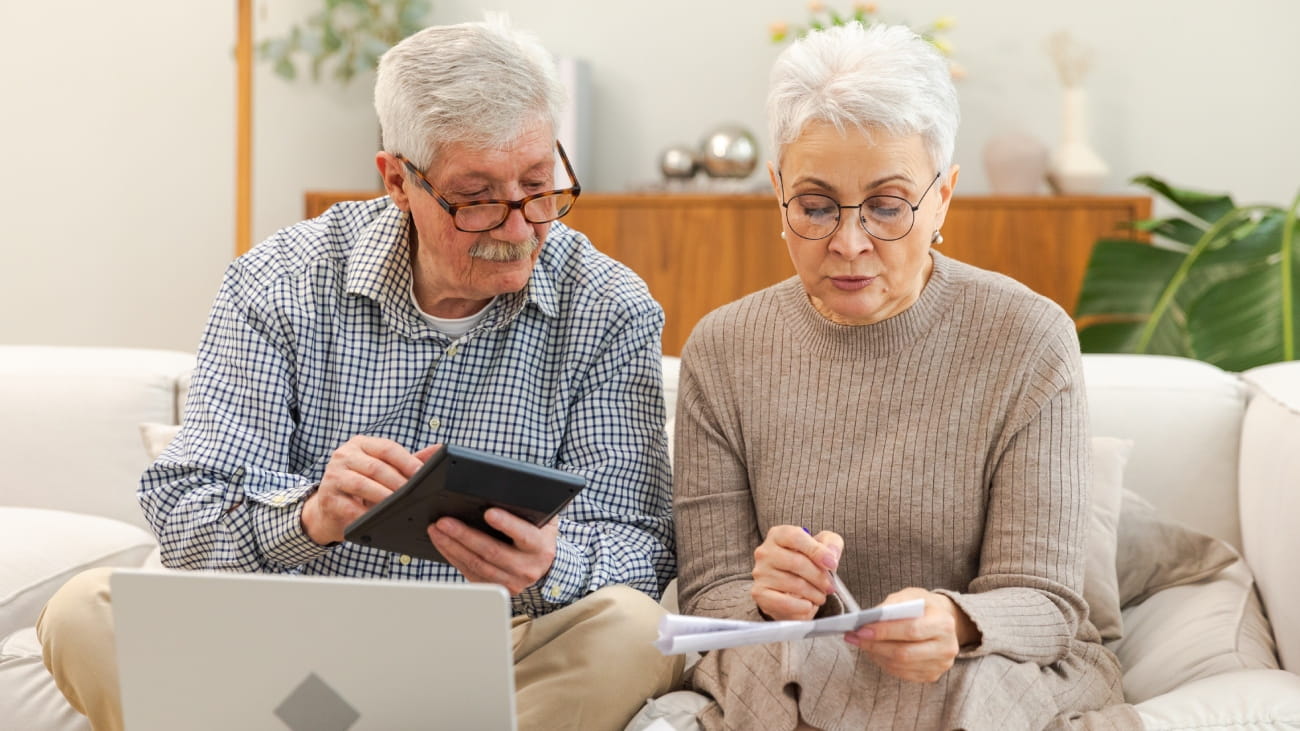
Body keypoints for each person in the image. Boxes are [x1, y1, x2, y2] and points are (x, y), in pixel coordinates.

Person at [37, 17, 682, 731]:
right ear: (397, 180)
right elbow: (186, 512)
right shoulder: (278, 283)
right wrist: (311, 515)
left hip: (501, 649)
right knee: (81, 613)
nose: (517, 226)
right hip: (294, 638)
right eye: (477, 198)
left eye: (536, 186)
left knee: (633, 629)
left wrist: (547, 565)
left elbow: (643, 545)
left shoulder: (609, 307)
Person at [671, 23, 1138, 730]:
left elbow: (1042, 599)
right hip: (794, 658)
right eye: (816, 205)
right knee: (767, 676)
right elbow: (711, 592)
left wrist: (955, 619)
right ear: (778, 193)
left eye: (888, 206)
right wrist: (765, 597)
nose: (849, 243)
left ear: (943, 197)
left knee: (972, 694)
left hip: (979, 661)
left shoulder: (1027, 336)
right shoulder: (724, 348)